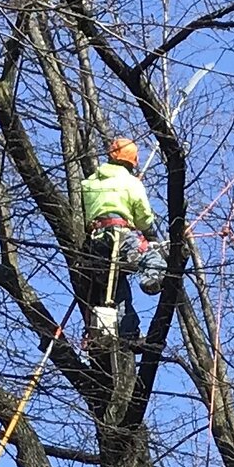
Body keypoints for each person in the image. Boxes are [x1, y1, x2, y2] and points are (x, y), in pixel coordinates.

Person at [78, 137, 159, 342]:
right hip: (120, 236)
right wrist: (150, 235)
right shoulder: (131, 182)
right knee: (155, 261)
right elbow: (143, 218)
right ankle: (151, 280)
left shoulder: (89, 183)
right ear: (132, 161)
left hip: (96, 244)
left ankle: (127, 334)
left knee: (115, 292)